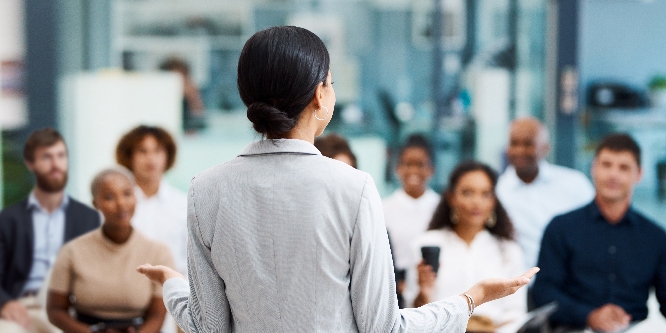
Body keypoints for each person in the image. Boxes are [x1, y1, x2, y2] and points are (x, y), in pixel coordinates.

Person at [136, 26, 538, 333]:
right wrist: (472, 298)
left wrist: (174, 285)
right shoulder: (353, 188)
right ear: (318, 95)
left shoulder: (205, 190)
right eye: (329, 81)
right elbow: (383, 328)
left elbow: (208, 327)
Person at [532, 134, 666, 332]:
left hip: (634, 328)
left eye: (623, 168)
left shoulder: (655, 237)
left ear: (639, 174)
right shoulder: (561, 228)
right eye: (606, 165)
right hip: (574, 328)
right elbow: (543, 292)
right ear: (593, 168)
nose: (613, 175)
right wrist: (589, 316)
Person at [46, 168, 175, 333]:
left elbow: (157, 315)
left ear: (136, 197)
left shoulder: (159, 252)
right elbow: (55, 310)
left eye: (127, 194)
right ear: (95, 204)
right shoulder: (72, 251)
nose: (121, 204)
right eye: (109, 197)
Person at [405, 161, 526, 330]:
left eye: (485, 194)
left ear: (494, 201)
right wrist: (423, 293)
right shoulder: (426, 244)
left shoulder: (508, 250)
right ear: (451, 197)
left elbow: (515, 314)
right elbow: (412, 314)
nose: (477, 202)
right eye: (467, 193)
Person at [0, 128, 100, 333]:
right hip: (23, 307)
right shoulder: (8, 220)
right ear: (31, 164)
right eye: (47, 157)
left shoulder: (88, 218)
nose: (56, 164)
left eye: (61, 156)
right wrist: (5, 303)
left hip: (69, 308)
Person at [496, 117, 595, 270]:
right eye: (514, 143)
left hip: (571, 281)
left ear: (545, 148)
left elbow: (595, 228)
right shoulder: (497, 192)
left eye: (528, 144)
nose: (520, 150)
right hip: (519, 285)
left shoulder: (575, 184)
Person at [116, 126, 188, 276]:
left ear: (168, 156)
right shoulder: (117, 204)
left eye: (158, 151)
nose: (150, 158)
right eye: (142, 151)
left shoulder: (183, 205)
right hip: (126, 292)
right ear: (130, 156)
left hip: (173, 291)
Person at [383, 134, 440, 272]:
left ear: (431, 169)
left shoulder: (441, 207)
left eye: (420, 165)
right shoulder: (383, 208)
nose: (414, 170)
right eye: (408, 164)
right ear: (398, 169)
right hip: (396, 287)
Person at [160, 57, 206, 132]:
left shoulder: (190, 94)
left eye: (182, 79)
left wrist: (193, 96)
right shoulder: (159, 99)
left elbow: (200, 119)